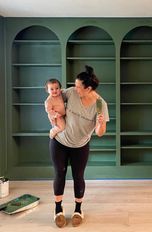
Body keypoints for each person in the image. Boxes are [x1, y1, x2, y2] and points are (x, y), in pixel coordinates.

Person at [49, 65, 109, 228]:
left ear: (88, 88)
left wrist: (101, 124)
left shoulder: (100, 105)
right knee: (59, 173)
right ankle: (58, 209)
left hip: (80, 145)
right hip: (60, 141)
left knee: (78, 176)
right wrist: (53, 118)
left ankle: (78, 210)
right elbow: (53, 98)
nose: (74, 88)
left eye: (78, 86)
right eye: (74, 85)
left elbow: (99, 132)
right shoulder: (71, 93)